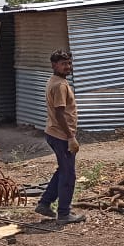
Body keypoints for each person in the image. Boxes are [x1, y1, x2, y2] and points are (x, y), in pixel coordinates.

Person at [34, 49, 84, 224]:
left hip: (54, 133)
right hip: (61, 136)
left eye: (69, 63)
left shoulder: (55, 81)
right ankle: (64, 213)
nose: (67, 67)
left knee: (63, 170)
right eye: (63, 64)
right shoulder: (60, 85)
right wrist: (71, 137)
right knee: (68, 175)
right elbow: (60, 113)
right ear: (54, 65)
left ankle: (45, 203)